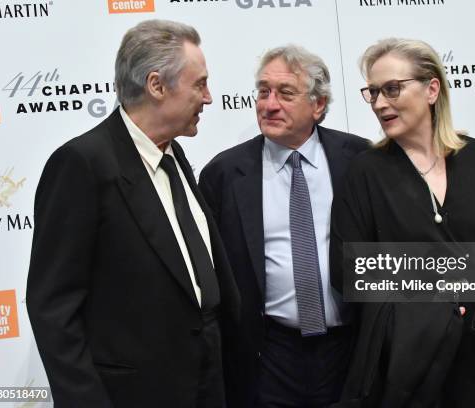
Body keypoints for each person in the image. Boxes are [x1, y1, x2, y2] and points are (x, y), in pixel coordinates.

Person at [26, 20, 239, 408]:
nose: (208, 98)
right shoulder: (82, 164)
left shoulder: (174, 155)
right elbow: (53, 309)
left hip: (208, 386)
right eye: (199, 84)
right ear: (156, 85)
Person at [329, 38, 475, 408]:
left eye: (392, 89)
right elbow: (347, 271)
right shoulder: (365, 173)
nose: (380, 103)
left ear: (432, 89)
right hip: (404, 359)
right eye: (372, 93)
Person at [198, 45, 370, 407]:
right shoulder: (225, 174)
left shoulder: (359, 160)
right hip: (267, 355)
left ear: (318, 105)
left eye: (285, 93)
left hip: (349, 350)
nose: (269, 104)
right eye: (263, 91)